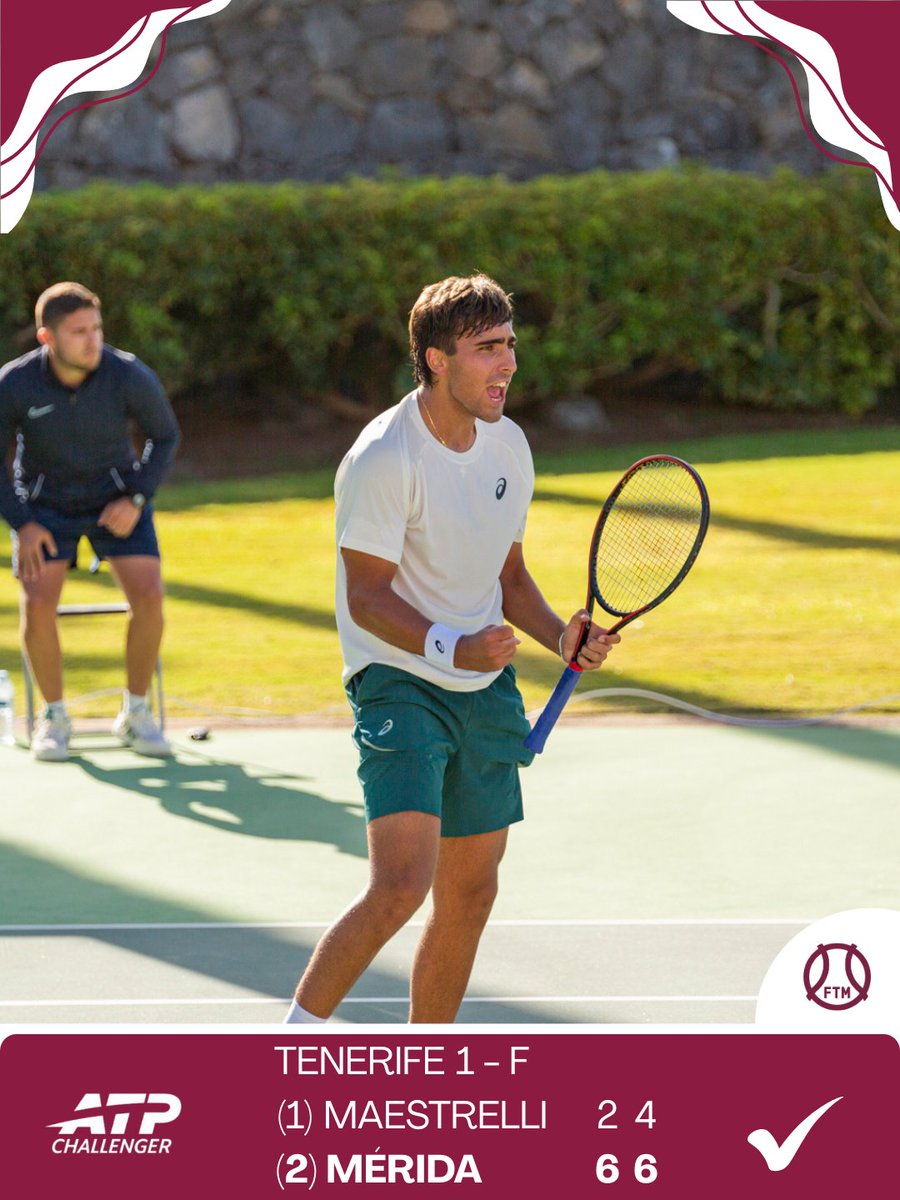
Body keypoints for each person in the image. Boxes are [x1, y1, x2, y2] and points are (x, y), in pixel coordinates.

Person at [284, 273, 619, 1025]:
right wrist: (452, 646)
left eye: (510, 345)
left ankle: (424, 1062)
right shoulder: (383, 457)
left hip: (483, 685)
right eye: (486, 349)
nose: (508, 364)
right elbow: (366, 597)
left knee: (470, 893)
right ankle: (287, 1049)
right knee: (401, 884)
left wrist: (559, 635)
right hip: (398, 677)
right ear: (437, 360)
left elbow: (509, 576)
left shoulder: (509, 447)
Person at [0, 281, 181, 761]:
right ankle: (54, 718)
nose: (92, 340)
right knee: (38, 602)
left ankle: (136, 713)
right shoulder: (14, 383)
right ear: (47, 337)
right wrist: (23, 523)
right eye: (78, 331)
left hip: (115, 502)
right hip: (44, 509)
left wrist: (136, 498)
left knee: (150, 595)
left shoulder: (128, 374)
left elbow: (165, 436)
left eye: (96, 328)